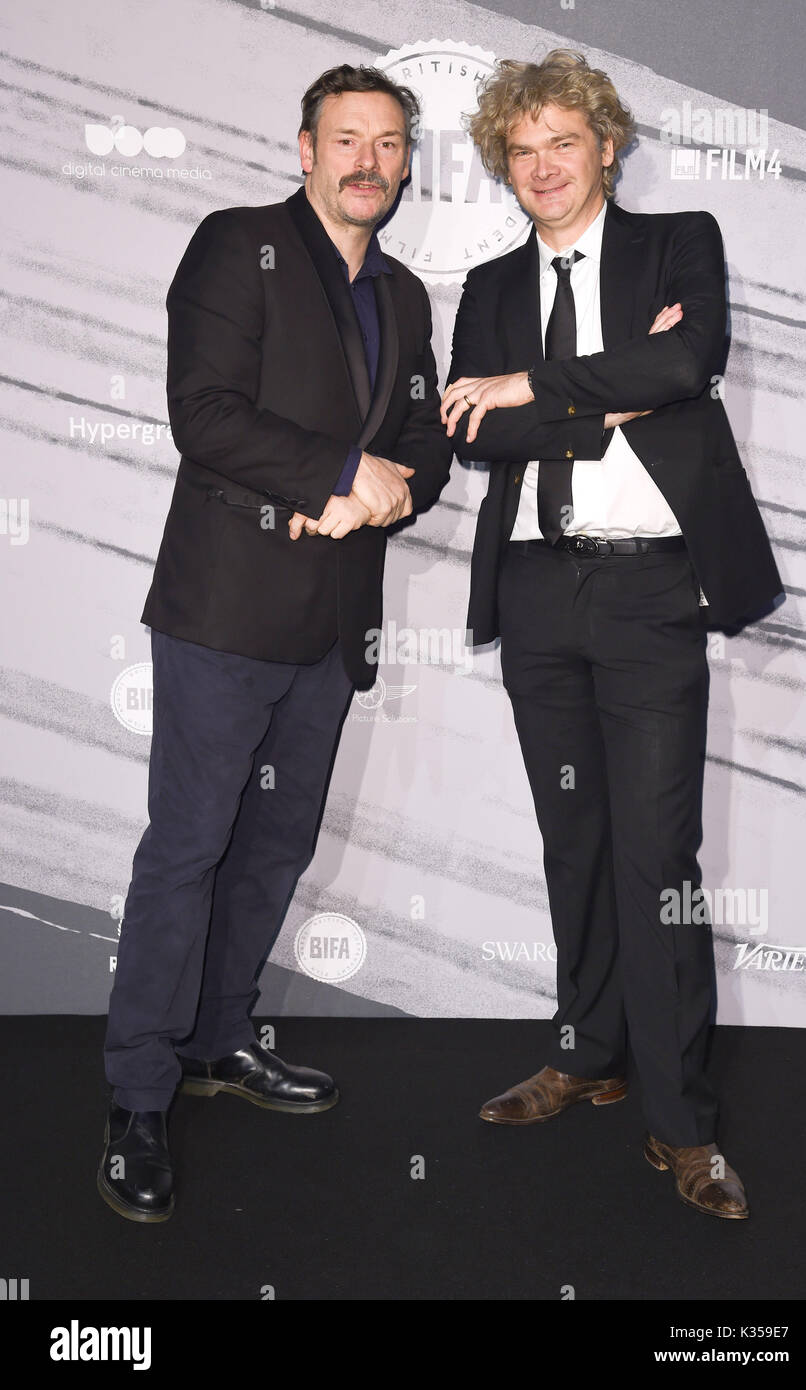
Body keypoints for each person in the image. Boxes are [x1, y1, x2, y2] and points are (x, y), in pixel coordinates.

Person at [99, 63, 452, 1223]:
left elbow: (424, 444)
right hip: (223, 613)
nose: (367, 161)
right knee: (188, 847)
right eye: (346, 138)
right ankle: (138, 1094)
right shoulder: (235, 243)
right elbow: (202, 411)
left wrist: (381, 492)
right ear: (305, 149)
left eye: (387, 143)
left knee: (274, 848)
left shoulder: (403, 295)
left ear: (404, 164)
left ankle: (217, 1038)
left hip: (329, 625)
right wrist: (340, 476)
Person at [441, 49, 782, 1219]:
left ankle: (681, 1126)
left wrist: (531, 387)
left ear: (605, 145)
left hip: (648, 595)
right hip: (536, 589)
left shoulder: (676, 241)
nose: (541, 166)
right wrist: (604, 398)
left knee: (655, 860)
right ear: (504, 166)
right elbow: (471, 433)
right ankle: (584, 1053)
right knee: (572, 843)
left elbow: (688, 359)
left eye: (562, 143)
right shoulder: (489, 283)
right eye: (520, 150)